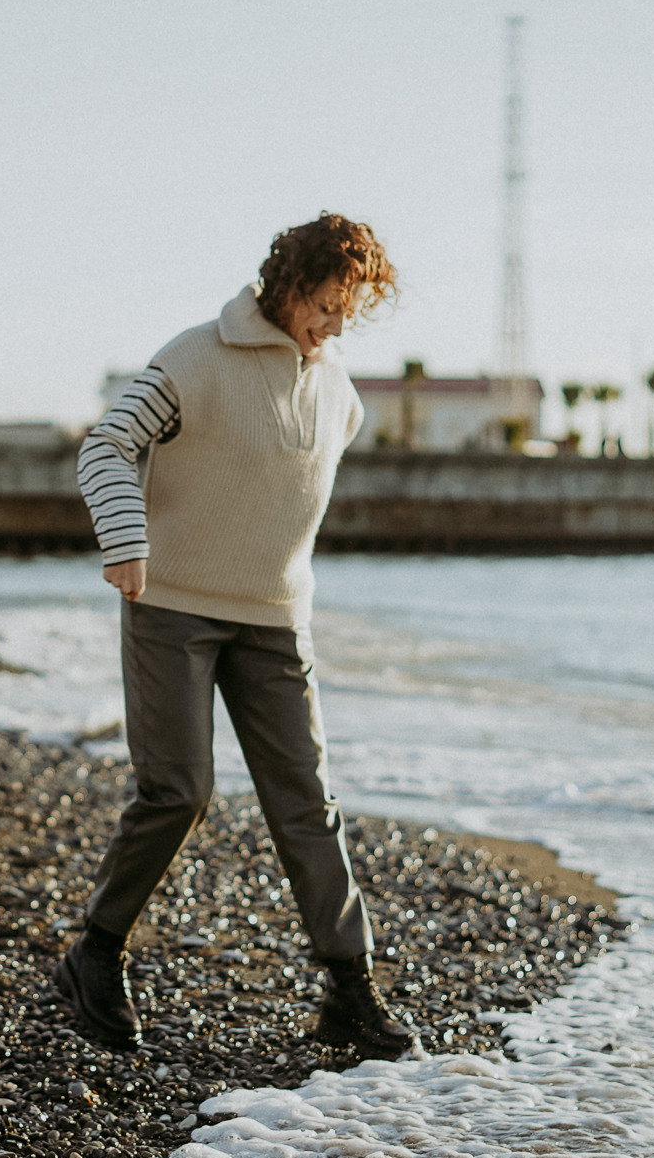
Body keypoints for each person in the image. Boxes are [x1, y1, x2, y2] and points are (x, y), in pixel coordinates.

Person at [59, 213, 416, 1058]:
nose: (335, 324)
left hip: (277, 619)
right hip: (172, 606)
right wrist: (126, 540)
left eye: (350, 311)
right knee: (178, 790)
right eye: (326, 304)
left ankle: (350, 988)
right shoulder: (195, 358)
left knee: (307, 801)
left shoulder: (341, 396)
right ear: (288, 283)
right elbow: (107, 446)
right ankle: (96, 951)